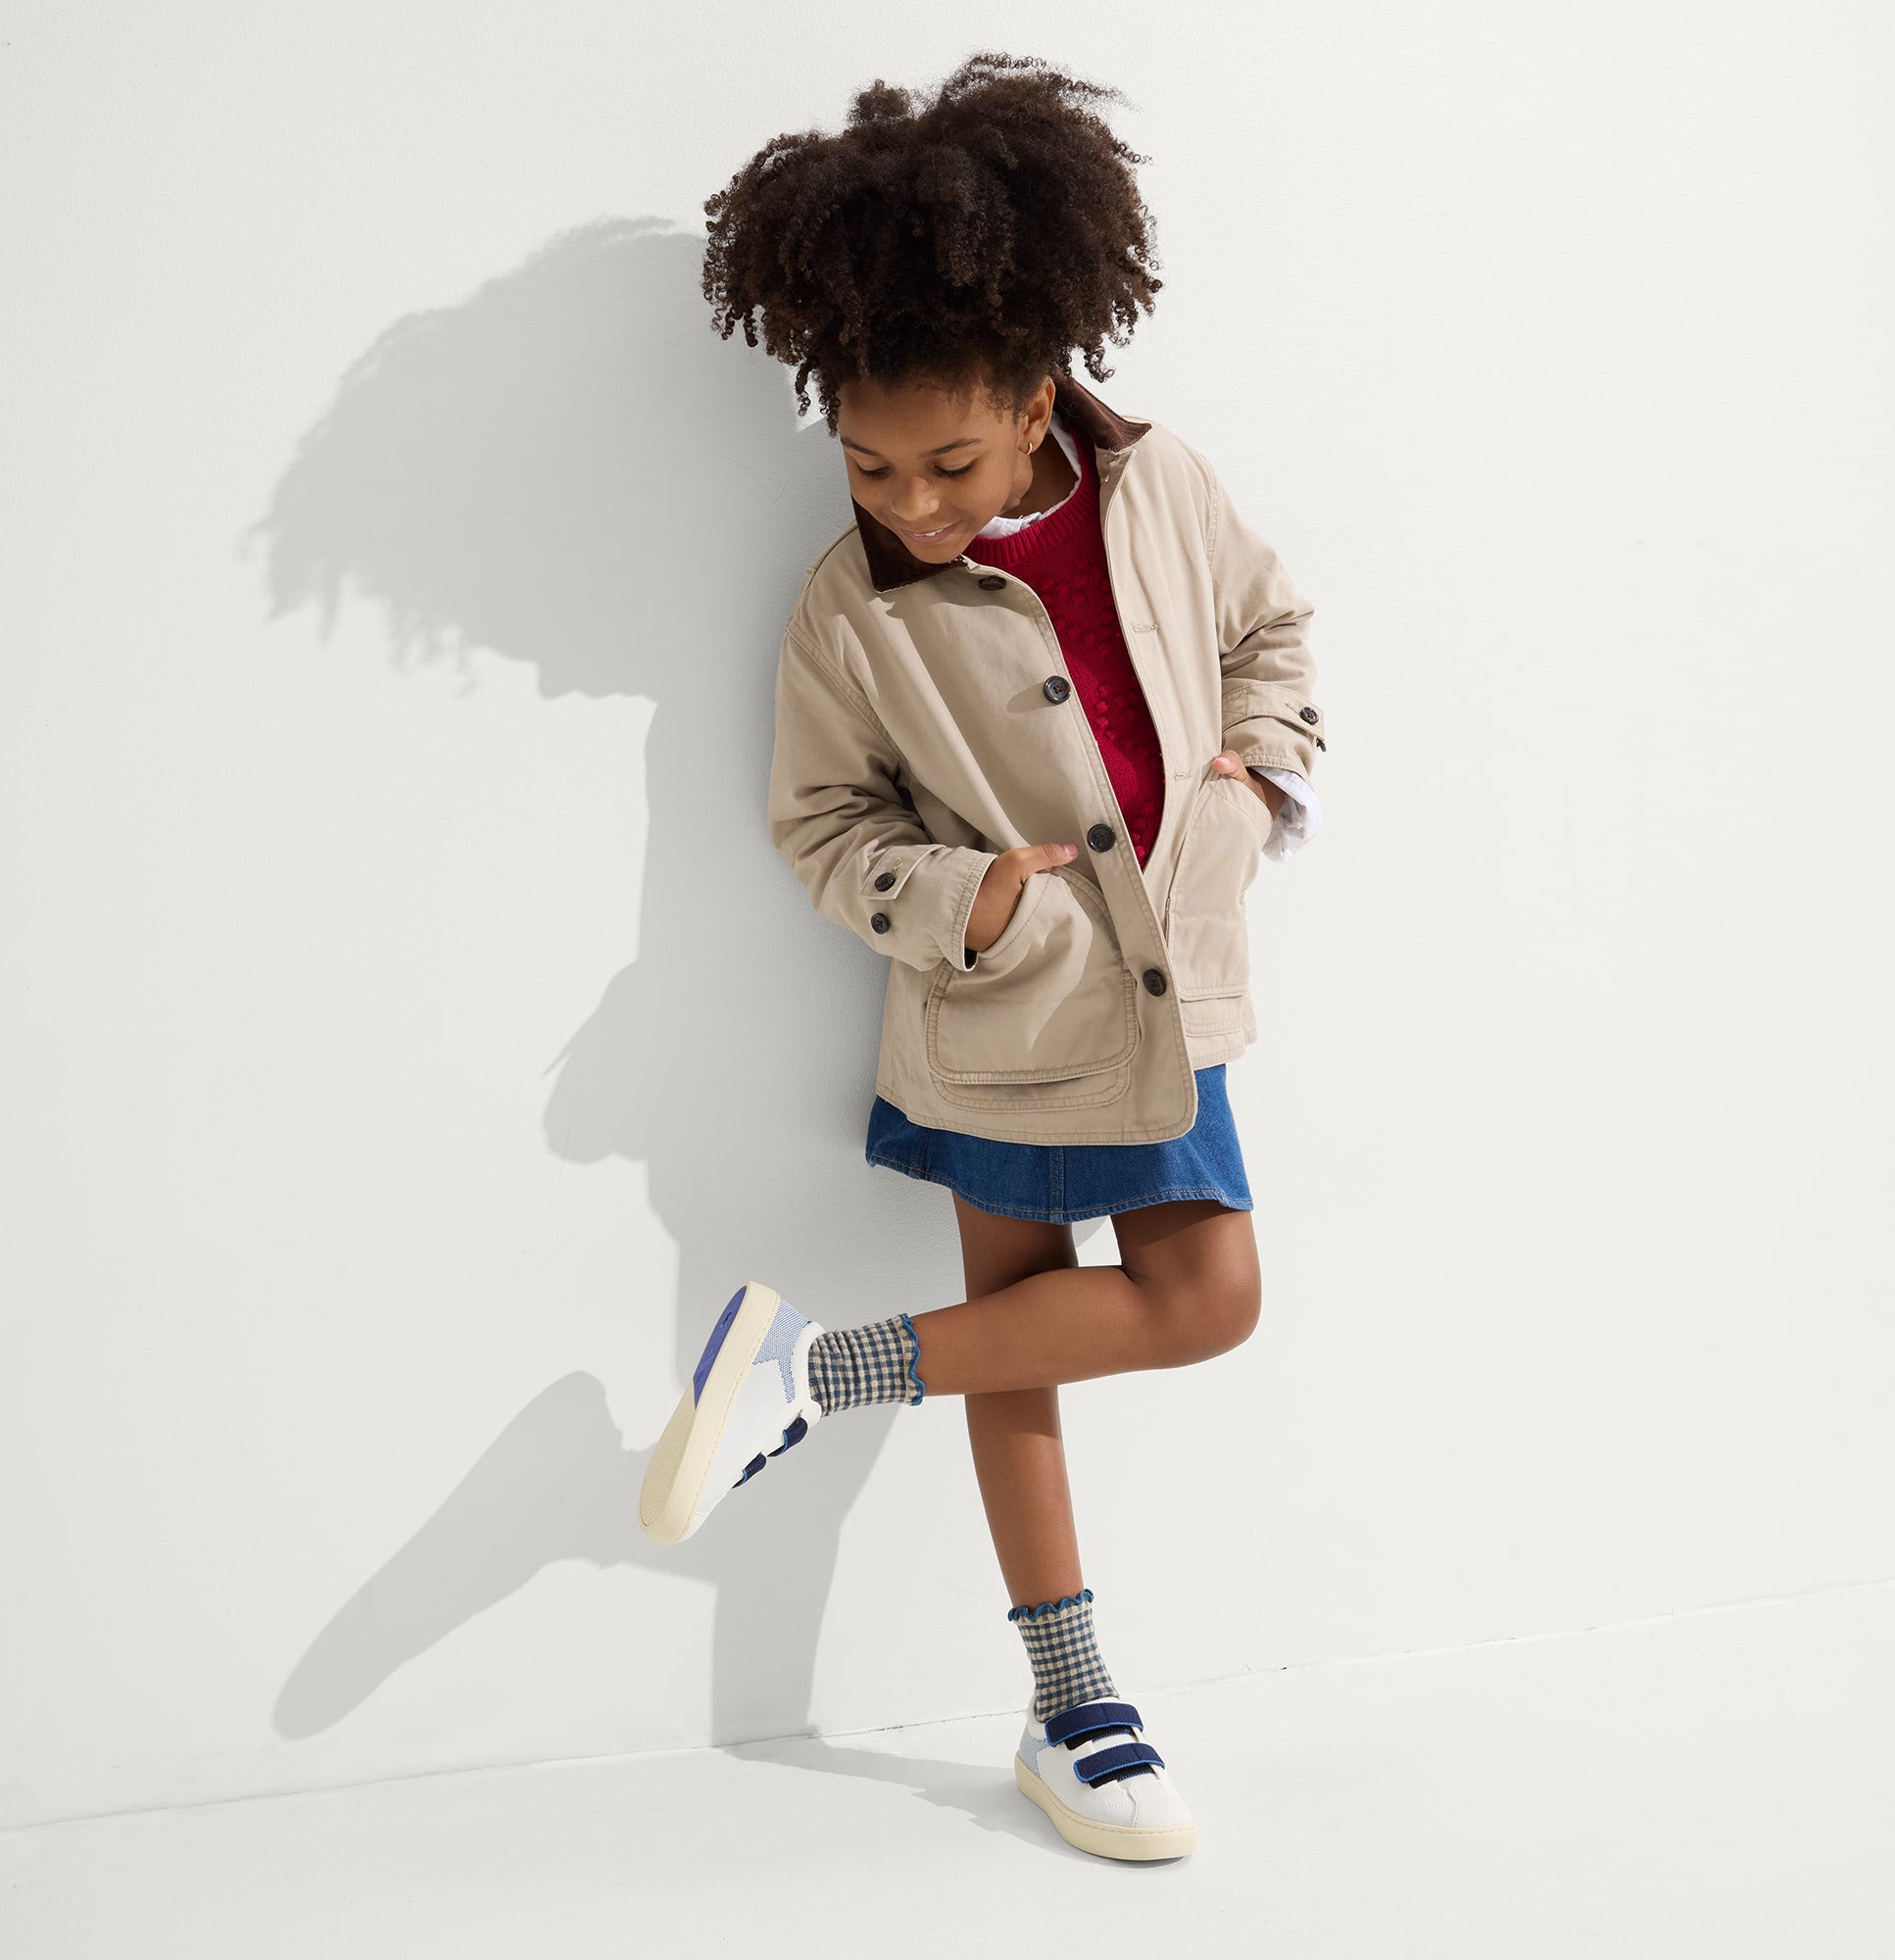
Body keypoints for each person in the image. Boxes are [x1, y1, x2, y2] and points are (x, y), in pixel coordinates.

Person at [638, 52, 1328, 1863]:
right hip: (1000, 1009)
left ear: (1036, 399)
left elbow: (1270, 632)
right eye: (869, 464)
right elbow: (823, 827)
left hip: (1167, 986)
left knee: (1200, 1298)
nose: (913, 503)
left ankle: (805, 1375)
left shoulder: (1162, 487)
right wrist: (972, 910)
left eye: (951, 463)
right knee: (1014, 1351)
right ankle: (1074, 1708)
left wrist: (1256, 782)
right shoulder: (850, 608)